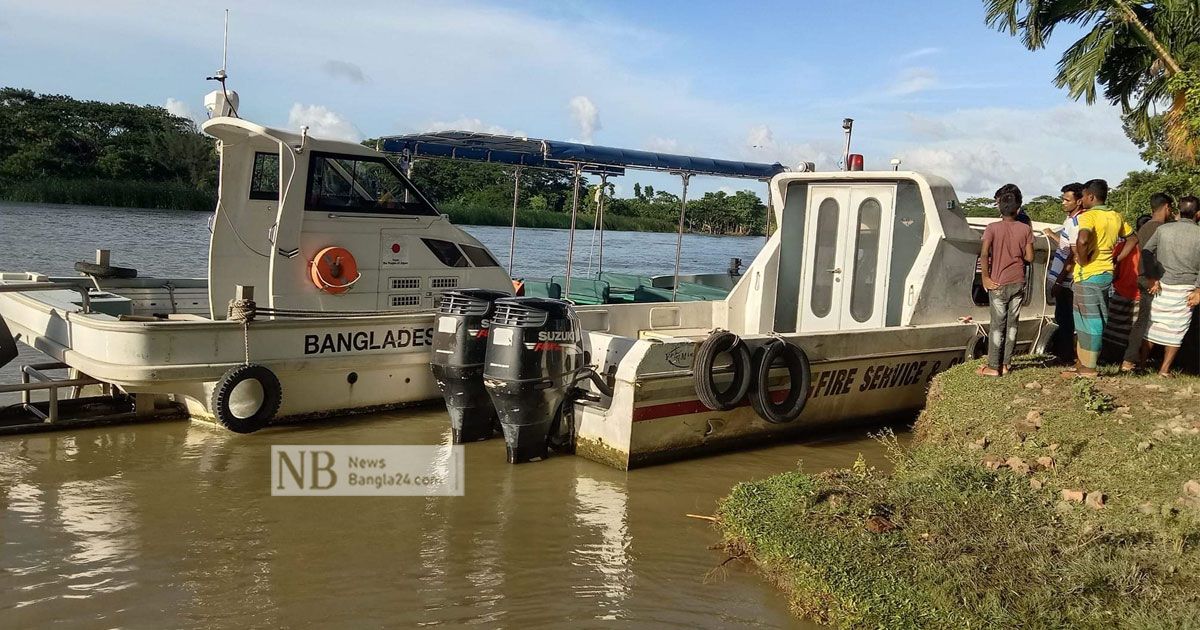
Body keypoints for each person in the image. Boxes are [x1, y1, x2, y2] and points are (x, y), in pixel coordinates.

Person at [1065, 179, 1136, 377]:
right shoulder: (1115, 216)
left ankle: (1089, 368)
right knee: (1083, 321)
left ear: (1091, 197)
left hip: (1089, 274)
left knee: (1091, 321)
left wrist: (1082, 258)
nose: (1081, 200)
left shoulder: (1089, 216)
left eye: (1083, 196)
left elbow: (1083, 239)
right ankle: (1082, 363)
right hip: (1105, 273)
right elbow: (1133, 238)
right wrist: (1117, 258)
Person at [1140, 201, 1200, 376]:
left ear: (1179, 211)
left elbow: (1146, 251)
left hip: (1162, 285)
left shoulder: (1163, 230)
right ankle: (1164, 370)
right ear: (1198, 214)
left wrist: (1152, 277)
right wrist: (1198, 290)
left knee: (1153, 325)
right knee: (1177, 329)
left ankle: (1142, 365)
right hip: (1187, 288)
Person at [978, 191, 1034, 377]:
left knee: (997, 325)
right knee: (1012, 324)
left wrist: (985, 277)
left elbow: (985, 253)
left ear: (999, 208)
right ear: (1018, 209)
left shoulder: (992, 228)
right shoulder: (1025, 229)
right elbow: (1030, 257)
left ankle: (993, 366)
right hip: (1018, 281)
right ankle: (1006, 364)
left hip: (997, 283)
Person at [1120, 193, 1174, 371]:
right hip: (1151, 280)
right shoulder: (1159, 228)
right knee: (1147, 321)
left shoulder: (1145, 228)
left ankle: (1133, 361)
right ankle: (1131, 360)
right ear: (1166, 207)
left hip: (1145, 278)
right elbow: (1148, 255)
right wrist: (1153, 278)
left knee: (1145, 319)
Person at [1044, 182, 1086, 362]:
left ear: (1078, 201)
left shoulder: (1077, 223)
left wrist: (1060, 281)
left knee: (1066, 318)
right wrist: (1053, 236)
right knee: (1062, 316)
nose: (1063, 202)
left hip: (1068, 280)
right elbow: (1065, 245)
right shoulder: (1070, 220)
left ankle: (1066, 356)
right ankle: (1065, 354)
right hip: (1064, 278)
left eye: (1067, 200)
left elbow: (1073, 254)